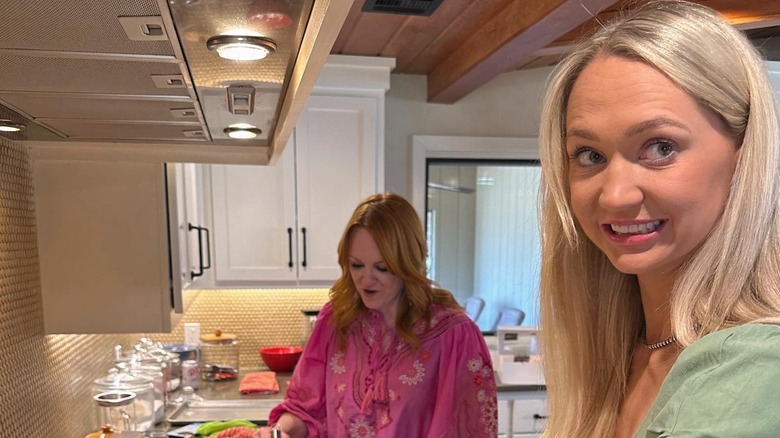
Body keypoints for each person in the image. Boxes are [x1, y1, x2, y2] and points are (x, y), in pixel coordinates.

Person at [537, 1, 780, 437]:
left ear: (746, 158)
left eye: (661, 147)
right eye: (590, 155)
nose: (615, 195)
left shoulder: (754, 366)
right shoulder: (621, 355)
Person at [255, 193, 497, 438]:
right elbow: (303, 409)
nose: (366, 280)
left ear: (408, 264)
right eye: (356, 265)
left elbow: (471, 430)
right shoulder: (336, 319)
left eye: (382, 268)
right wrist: (277, 433)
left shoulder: (454, 335)